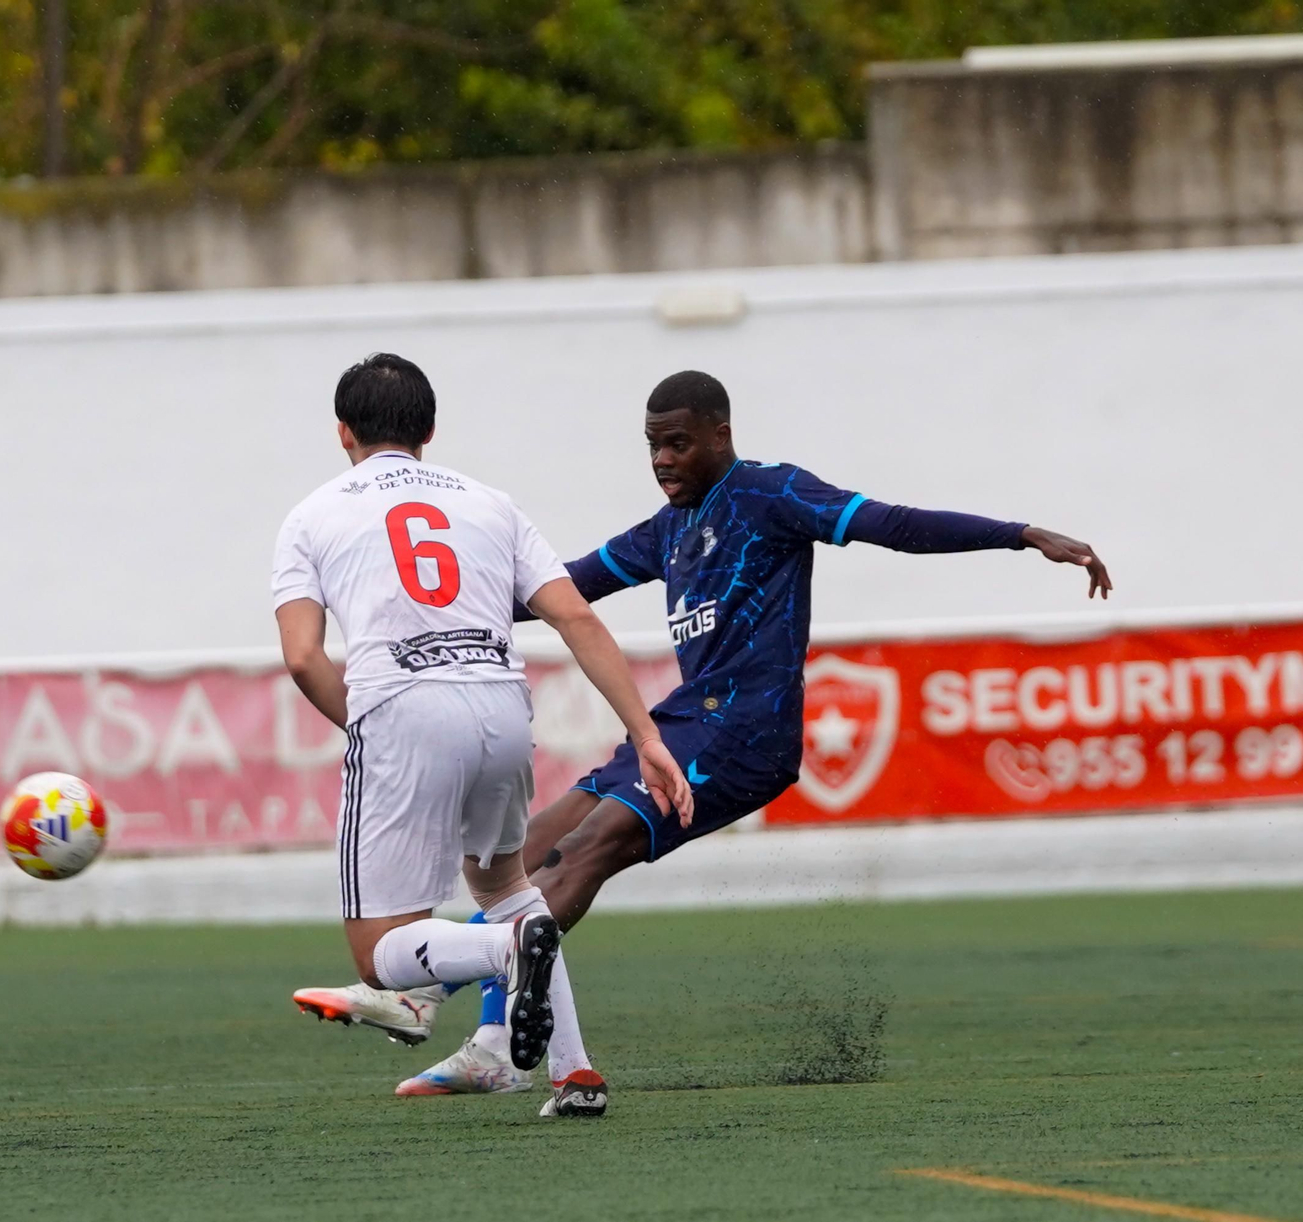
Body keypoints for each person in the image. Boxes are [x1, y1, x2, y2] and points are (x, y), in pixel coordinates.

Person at [293, 368, 1113, 1098]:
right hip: (683, 723)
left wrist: (1019, 532)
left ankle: (437, 995)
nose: (663, 462)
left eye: (678, 444)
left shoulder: (772, 494)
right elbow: (550, 593)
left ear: (721, 433)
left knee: (587, 854)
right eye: (652, 447)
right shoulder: (667, 529)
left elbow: (889, 521)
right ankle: (509, 1046)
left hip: (745, 734)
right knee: (529, 854)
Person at [273, 353, 694, 1119]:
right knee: (505, 888)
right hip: (502, 707)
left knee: (378, 953)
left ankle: (503, 956)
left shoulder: (312, 515)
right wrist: (645, 731)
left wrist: (369, 724)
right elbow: (574, 615)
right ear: (430, 429)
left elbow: (302, 655)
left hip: (402, 706)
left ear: (343, 434)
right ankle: (576, 1075)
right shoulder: (491, 504)